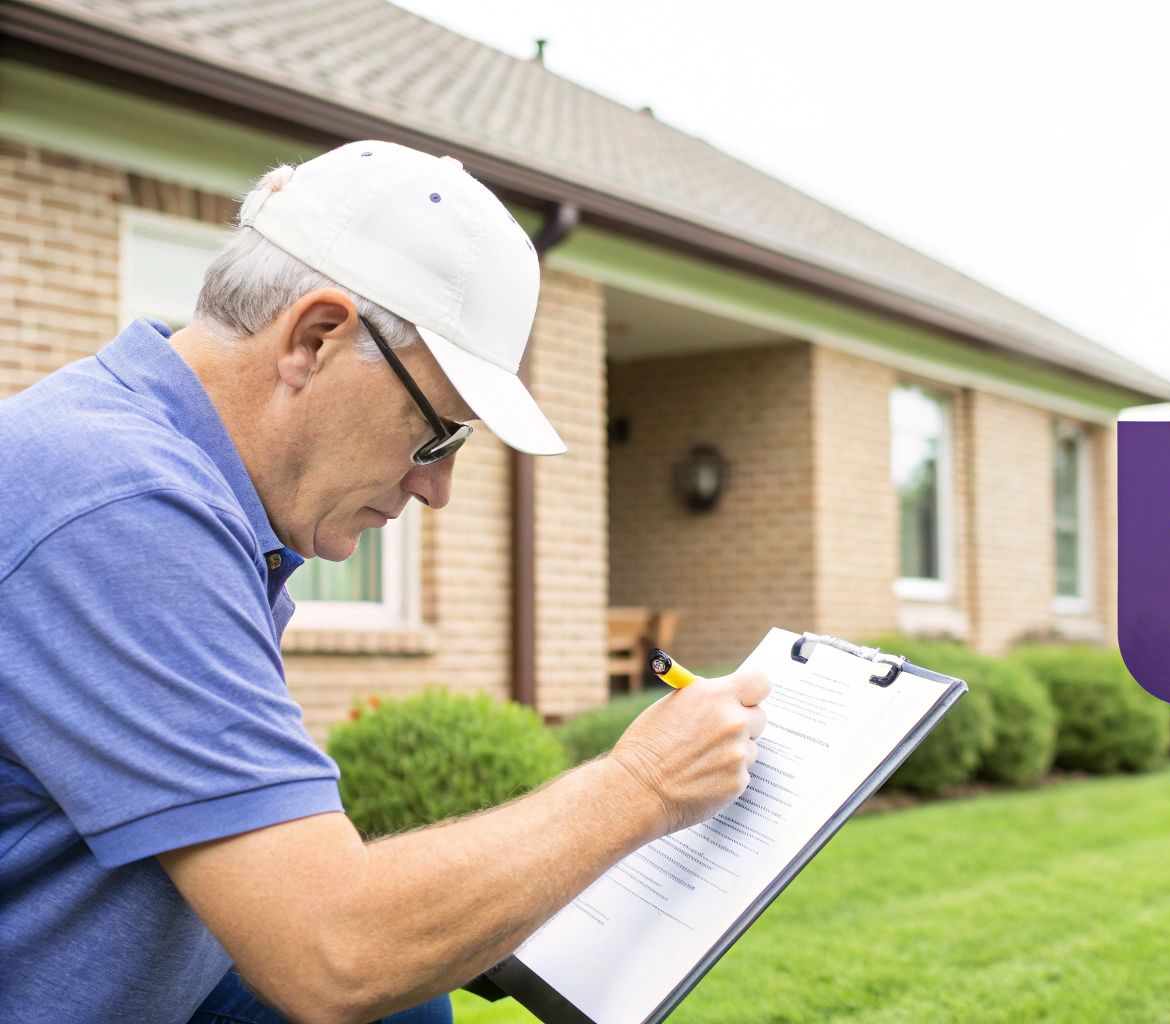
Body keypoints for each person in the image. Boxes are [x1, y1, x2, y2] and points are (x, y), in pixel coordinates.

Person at [0, 140, 770, 1024]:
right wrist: (645, 784)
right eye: (439, 432)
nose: (435, 487)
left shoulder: (181, 486)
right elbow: (333, 956)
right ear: (316, 340)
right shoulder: (119, 510)